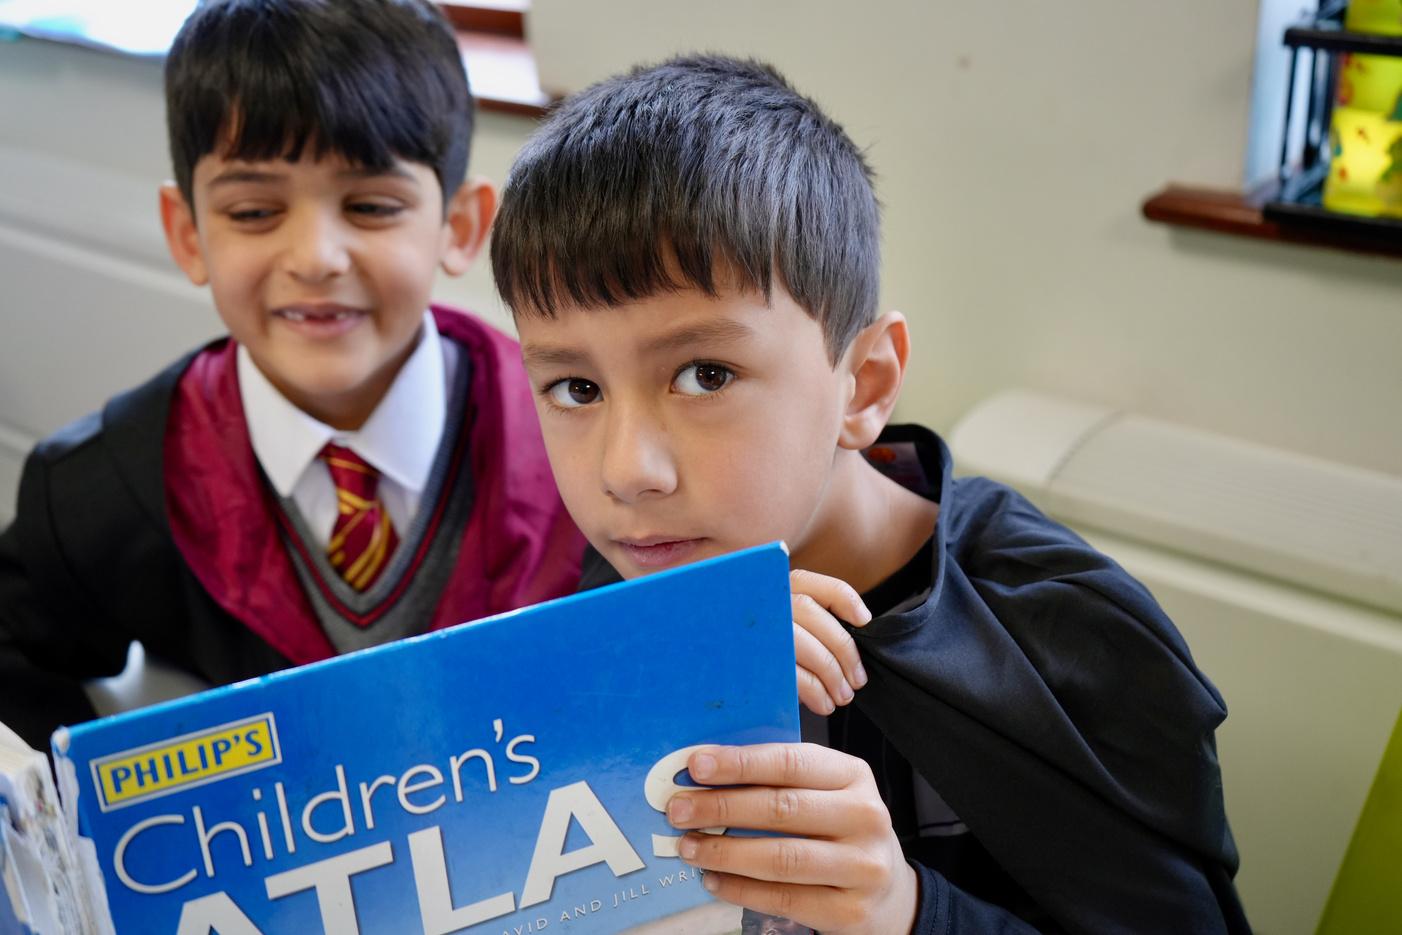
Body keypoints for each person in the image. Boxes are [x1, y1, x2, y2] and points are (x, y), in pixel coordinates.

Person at [488, 54, 1251, 934]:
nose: (627, 470)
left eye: (706, 374)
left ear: (865, 383)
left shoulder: (1063, 637)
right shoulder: (611, 590)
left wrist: (906, 909)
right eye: (576, 388)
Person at [0, 0, 582, 752]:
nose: (315, 258)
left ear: (460, 226)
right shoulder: (100, 486)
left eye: (370, 205)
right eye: (253, 212)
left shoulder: (580, 446)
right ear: (188, 233)